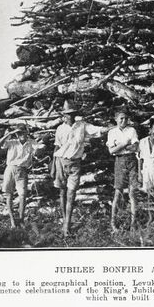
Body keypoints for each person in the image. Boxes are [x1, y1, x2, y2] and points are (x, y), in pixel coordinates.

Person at [52, 100, 108, 237]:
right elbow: (57, 147)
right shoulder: (60, 129)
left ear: (75, 114)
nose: (69, 117)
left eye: (71, 114)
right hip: (60, 161)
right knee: (62, 192)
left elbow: (98, 130)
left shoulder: (82, 126)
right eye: (66, 114)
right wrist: (53, 165)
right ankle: (65, 220)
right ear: (63, 116)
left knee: (71, 194)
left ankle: (67, 226)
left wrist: (114, 127)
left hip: (75, 164)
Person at [0, 124, 41, 229]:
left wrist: (38, 150)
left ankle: (21, 220)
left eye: (23, 132)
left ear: (26, 133)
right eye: (18, 133)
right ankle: (12, 220)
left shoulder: (31, 143)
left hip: (22, 170)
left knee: (23, 195)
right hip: (10, 168)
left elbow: (40, 147)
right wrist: (10, 133)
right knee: (9, 195)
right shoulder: (12, 142)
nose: (21, 135)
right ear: (16, 134)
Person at [107, 108, 139, 232]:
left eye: (125, 118)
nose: (124, 120)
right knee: (118, 193)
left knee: (132, 193)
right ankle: (113, 224)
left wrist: (119, 146)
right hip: (119, 161)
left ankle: (133, 224)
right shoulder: (112, 132)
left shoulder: (131, 130)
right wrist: (125, 144)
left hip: (131, 161)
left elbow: (135, 147)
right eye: (121, 118)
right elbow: (111, 151)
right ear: (116, 120)